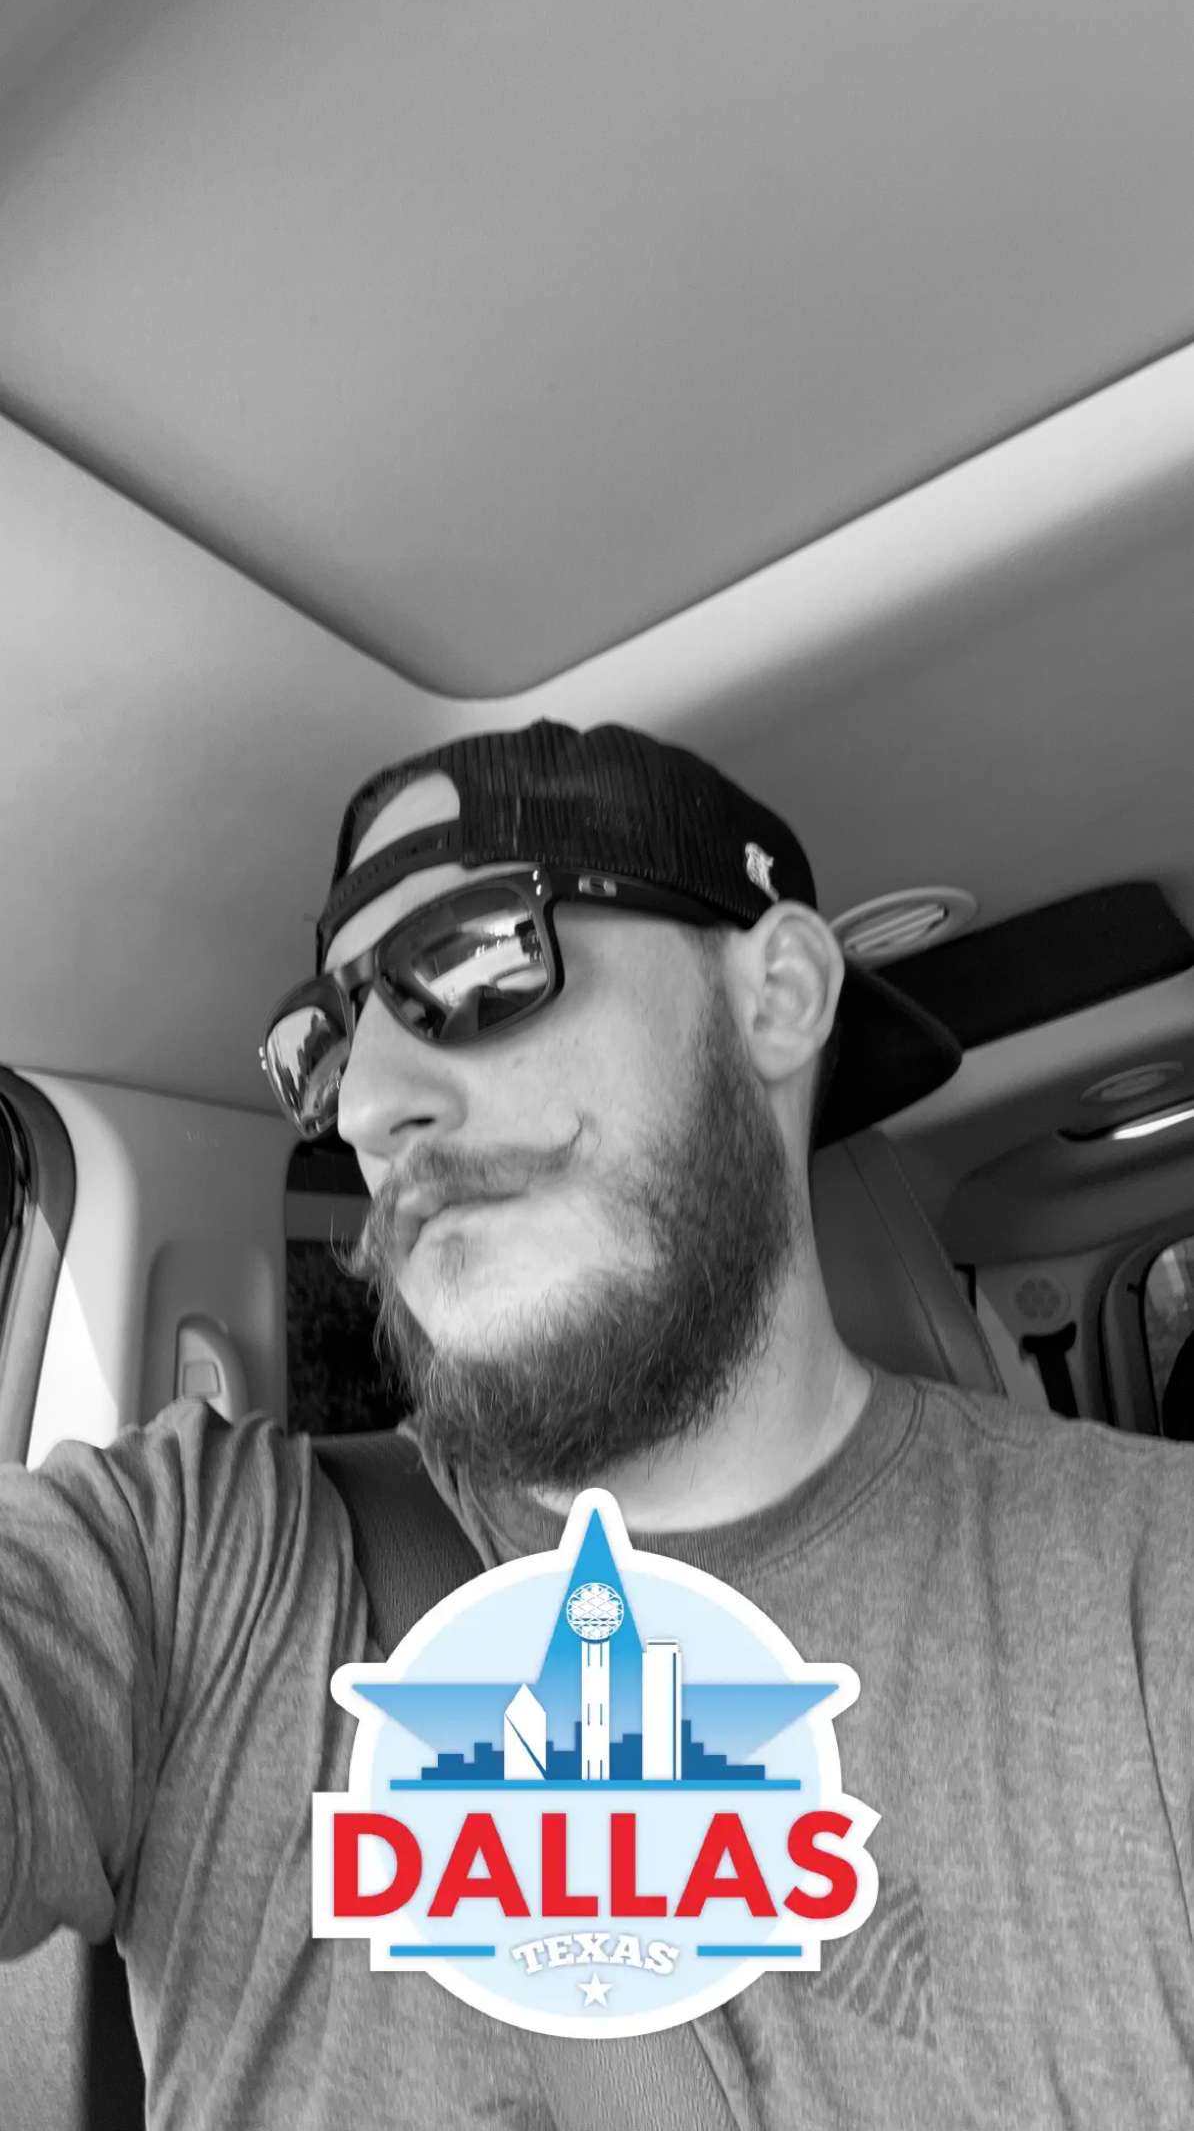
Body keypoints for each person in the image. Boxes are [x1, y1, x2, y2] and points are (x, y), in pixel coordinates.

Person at [1, 717, 1192, 2130]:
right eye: (328, 1044)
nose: (368, 1109)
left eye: (468, 960)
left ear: (778, 996)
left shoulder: (1149, 1591)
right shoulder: (200, 1561)